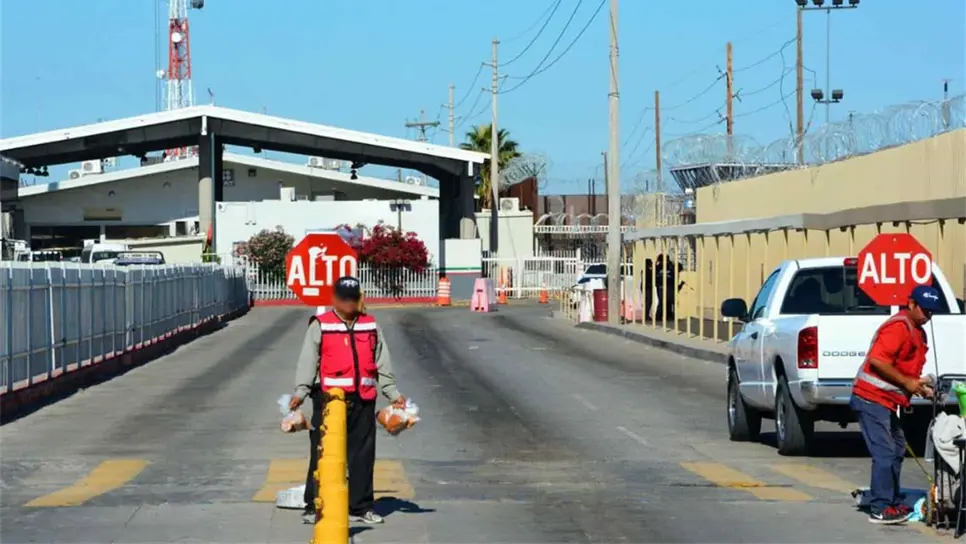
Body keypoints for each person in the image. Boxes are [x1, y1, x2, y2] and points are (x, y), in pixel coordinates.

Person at [290, 276, 406, 525]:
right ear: (335, 299)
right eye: (343, 299)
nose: (348, 304)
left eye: (352, 299)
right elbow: (308, 360)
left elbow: (382, 362)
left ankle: (361, 507)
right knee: (322, 453)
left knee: (363, 455)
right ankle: (314, 505)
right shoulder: (321, 324)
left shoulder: (369, 325)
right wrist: (300, 392)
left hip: (363, 400)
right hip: (330, 401)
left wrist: (393, 394)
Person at [850, 285, 943, 525]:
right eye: (924, 310)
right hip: (870, 398)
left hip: (887, 401)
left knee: (898, 449)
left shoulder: (917, 331)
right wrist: (908, 383)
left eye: (932, 312)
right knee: (885, 452)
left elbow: (906, 372)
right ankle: (881, 508)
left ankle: (890, 500)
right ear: (911, 303)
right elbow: (879, 362)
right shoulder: (898, 328)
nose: (928, 316)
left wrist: (921, 388)